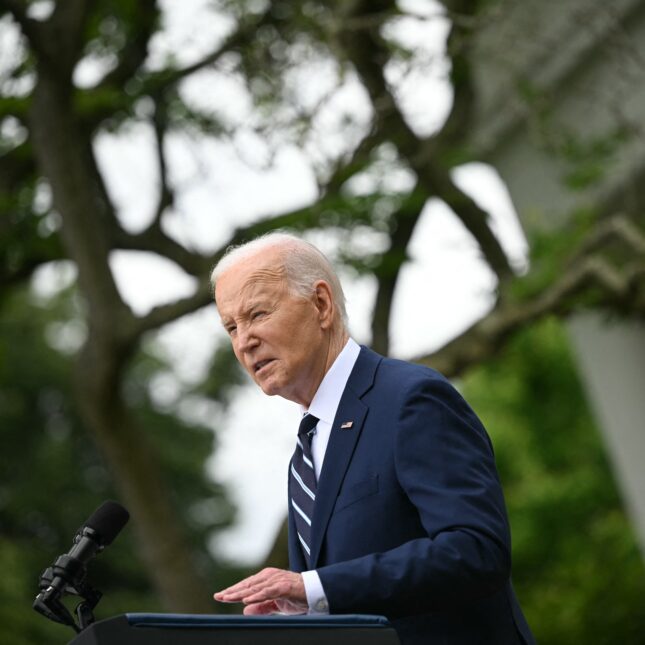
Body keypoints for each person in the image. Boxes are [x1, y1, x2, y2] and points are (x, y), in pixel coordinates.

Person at [212, 232, 535, 645]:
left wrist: (312, 588)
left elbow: (476, 551)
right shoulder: (304, 455)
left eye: (257, 314)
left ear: (321, 304)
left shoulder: (410, 398)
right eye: (231, 327)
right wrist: (300, 609)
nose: (244, 341)